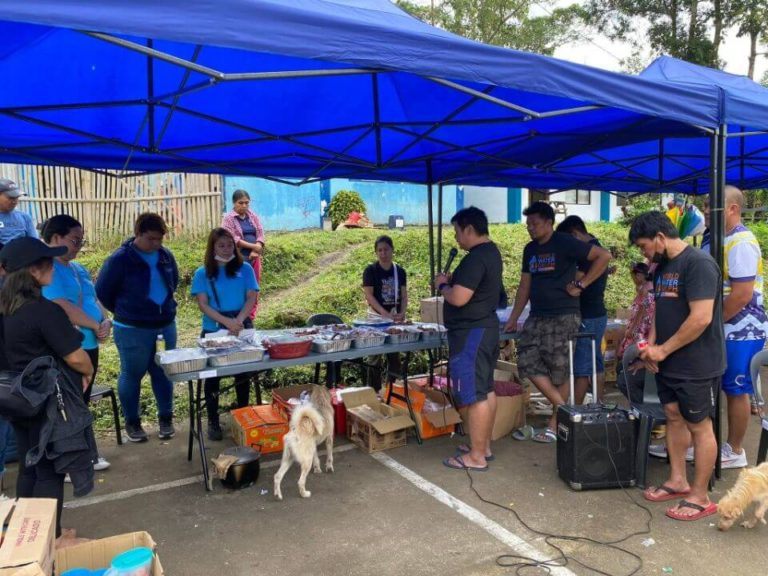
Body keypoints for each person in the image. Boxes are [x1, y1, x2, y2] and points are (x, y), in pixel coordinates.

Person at [630, 211, 724, 521]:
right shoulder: (661, 268)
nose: (644, 253)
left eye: (644, 246)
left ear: (659, 237)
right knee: (672, 416)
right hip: (668, 360)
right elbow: (660, 310)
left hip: (698, 362)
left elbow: (701, 318)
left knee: (699, 424)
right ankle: (677, 480)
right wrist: (653, 348)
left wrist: (664, 350)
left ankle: (700, 496)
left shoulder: (698, 264)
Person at [0, 237, 95, 540]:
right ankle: (47, 539)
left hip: (13, 399)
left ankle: (24, 535)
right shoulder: (43, 310)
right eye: (46, 262)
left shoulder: (6, 309)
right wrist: (88, 369)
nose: (52, 266)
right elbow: (77, 358)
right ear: (32, 271)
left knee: (29, 465)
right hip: (44, 402)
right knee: (50, 470)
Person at [504, 202, 611, 443]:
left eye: (535, 223)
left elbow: (603, 256)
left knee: (559, 372)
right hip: (537, 315)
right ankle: (565, 409)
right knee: (527, 361)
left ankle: (555, 424)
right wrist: (513, 318)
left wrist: (582, 285)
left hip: (564, 315)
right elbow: (524, 285)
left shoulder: (565, 242)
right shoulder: (530, 249)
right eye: (528, 224)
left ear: (549, 222)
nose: (530, 228)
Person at [95, 213, 179, 443]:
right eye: (151, 239)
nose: (156, 244)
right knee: (132, 374)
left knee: (163, 372)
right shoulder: (120, 259)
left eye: (160, 239)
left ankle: (166, 418)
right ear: (138, 234)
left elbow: (175, 281)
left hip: (165, 325)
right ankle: (132, 422)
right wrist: (127, 312)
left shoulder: (165, 256)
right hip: (132, 329)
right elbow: (102, 292)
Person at [41, 215, 111, 471]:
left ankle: (88, 454)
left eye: (82, 240)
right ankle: (71, 461)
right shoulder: (47, 268)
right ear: (56, 238)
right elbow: (61, 305)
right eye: (75, 240)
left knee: (80, 401)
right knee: (67, 404)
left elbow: (95, 299)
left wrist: (105, 321)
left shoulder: (77, 268)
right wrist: (94, 324)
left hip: (89, 344)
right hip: (68, 347)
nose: (79, 245)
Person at [435, 207, 503, 472]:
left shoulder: (476, 258)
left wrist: (443, 286)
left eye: (456, 231)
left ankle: (476, 457)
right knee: (485, 389)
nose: (455, 238)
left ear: (469, 229)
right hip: (483, 330)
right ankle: (483, 446)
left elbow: (459, 298)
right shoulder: (491, 253)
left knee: (474, 395)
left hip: (471, 334)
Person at [704, 186, 767, 468]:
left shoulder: (741, 241)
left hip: (743, 329)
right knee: (720, 385)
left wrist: (711, 322)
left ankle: (735, 449)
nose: (706, 212)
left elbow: (741, 295)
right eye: (705, 206)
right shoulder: (716, 238)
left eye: (711, 206)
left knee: (735, 388)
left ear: (732, 208)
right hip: (724, 326)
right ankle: (711, 444)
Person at [191, 228, 259, 441]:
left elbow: (251, 297)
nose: (226, 249)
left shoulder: (245, 268)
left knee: (243, 374)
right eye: (221, 245)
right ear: (212, 247)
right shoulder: (202, 273)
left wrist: (238, 320)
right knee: (213, 378)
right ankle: (212, 419)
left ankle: (243, 414)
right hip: (214, 330)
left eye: (230, 245)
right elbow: (203, 305)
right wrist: (227, 322)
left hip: (241, 326)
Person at [555, 215, 609, 404]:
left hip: (589, 315)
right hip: (597, 313)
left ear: (575, 234)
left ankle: (576, 411)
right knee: (595, 363)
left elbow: (572, 281)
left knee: (582, 368)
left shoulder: (590, 254)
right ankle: (599, 403)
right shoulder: (595, 246)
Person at [362, 235, 408, 388]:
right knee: (374, 358)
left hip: (393, 318)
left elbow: (404, 294)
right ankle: (373, 392)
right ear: (376, 253)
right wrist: (383, 313)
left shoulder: (399, 271)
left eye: (386, 249)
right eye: (379, 250)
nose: (383, 253)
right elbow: (369, 295)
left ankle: (391, 391)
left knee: (394, 357)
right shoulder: (371, 270)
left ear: (392, 250)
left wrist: (402, 312)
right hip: (375, 319)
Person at [616, 261, 656, 404]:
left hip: (643, 343)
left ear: (639, 275)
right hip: (643, 343)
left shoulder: (647, 293)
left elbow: (641, 323)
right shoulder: (647, 290)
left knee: (624, 375)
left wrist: (631, 332)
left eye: (633, 276)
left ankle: (642, 409)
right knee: (622, 368)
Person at [221, 189, 265, 319]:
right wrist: (254, 246)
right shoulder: (228, 219)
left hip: (254, 257)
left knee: (254, 286)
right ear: (234, 203)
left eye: (247, 203)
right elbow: (232, 239)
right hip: (237, 259)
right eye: (241, 203)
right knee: (239, 286)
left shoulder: (253, 216)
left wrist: (257, 248)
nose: (244, 206)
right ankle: (238, 314)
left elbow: (261, 233)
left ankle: (251, 315)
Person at [0, 179, 37, 244]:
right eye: (10, 197)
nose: (14, 201)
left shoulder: (25, 217)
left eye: (16, 197)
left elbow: (35, 243)